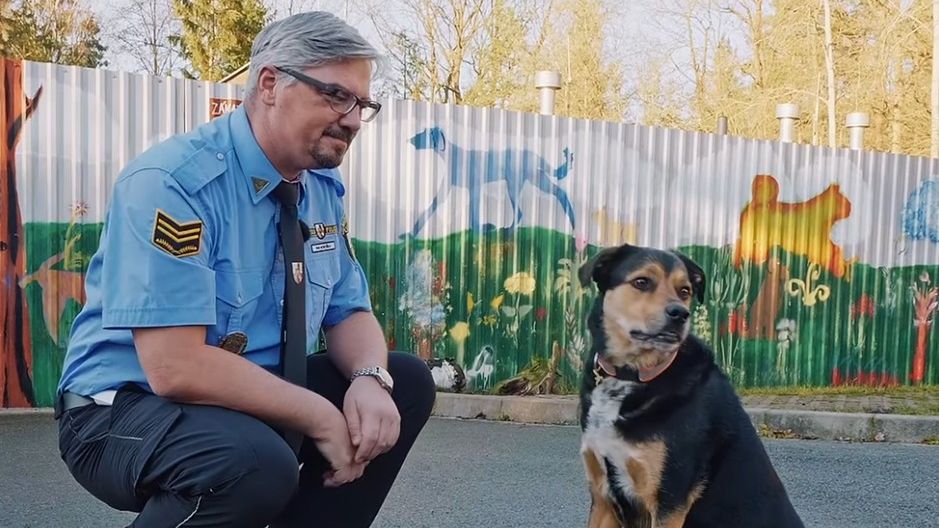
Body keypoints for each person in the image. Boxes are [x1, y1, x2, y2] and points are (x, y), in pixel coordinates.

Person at [54, 11, 436, 528]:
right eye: (335, 95)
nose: (352, 119)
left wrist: (370, 378)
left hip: (248, 397)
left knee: (404, 382)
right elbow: (175, 367)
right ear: (271, 83)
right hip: (117, 409)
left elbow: (350, 313)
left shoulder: (319, 191)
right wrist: (319, 414)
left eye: (362, 104)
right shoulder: (174, 184)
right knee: (252, 462)